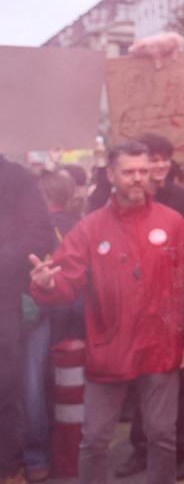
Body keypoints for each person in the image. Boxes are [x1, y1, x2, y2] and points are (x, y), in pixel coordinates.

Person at [28, 141, 184, 484]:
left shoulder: (171, 222)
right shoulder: (90, 227)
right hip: (108, 347)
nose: (137, 179)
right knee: (95, 439)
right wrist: (47, 285)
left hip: (161, 346)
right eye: (129, 172)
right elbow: (66, 279)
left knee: (162, 435)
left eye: (143, 171)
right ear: (111, 175)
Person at [115, 133, 184, 481]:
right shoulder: (126, 201)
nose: (158, 167)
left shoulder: (183, 199)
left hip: (177, 309)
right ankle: (141, 449)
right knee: (141, 382)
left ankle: (180, 453)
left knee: (182, 388)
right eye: (152, 160)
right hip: (139, 312)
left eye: (163, 160)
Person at [21, 173, 83, 483]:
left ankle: (37, 457)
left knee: (33, 384)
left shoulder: (36, 224)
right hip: (60, 311)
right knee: (48, 382)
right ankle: (49, 453)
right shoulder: (77, 222)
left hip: (37, 310)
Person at [1, 156, 54, 484]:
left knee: (4, 388)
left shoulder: (16, 179)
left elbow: (38, 236)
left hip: (2, 299)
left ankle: (9, 468)